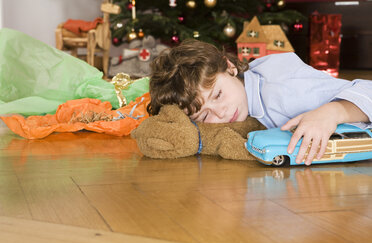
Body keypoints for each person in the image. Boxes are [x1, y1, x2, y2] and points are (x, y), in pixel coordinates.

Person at [147, 39, 372, 165]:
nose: (221, 113)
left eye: (217, 95)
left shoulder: (285, 89)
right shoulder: (247, 99)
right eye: (204, 116)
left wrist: (333, 112)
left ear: (230, 67)